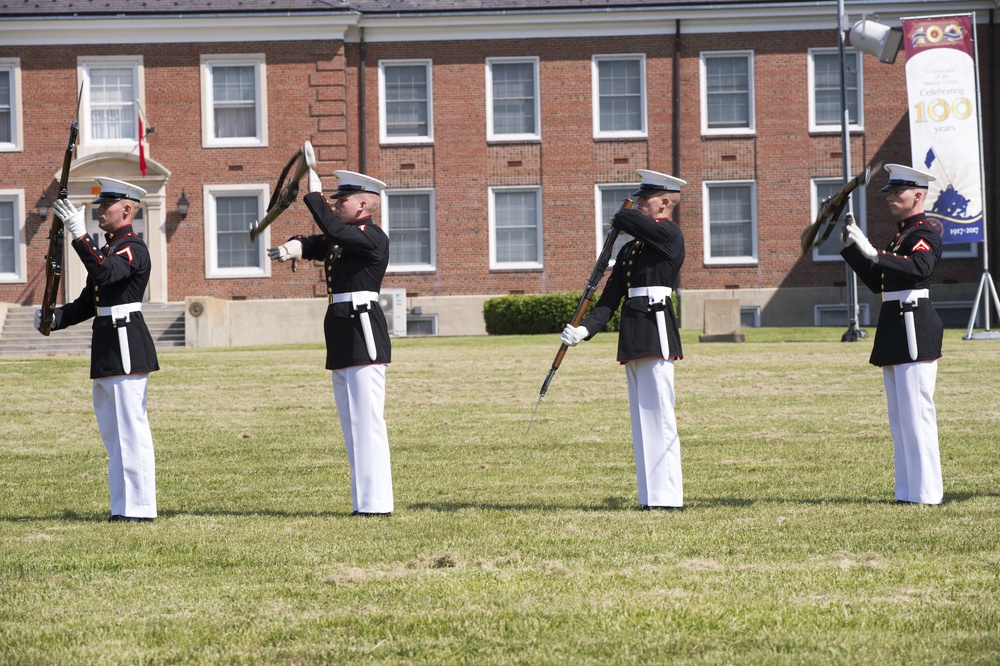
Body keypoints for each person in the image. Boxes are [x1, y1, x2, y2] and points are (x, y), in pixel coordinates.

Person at [268, 169, 394, 516]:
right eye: (334, 201)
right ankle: (364, 502)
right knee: (353, 424)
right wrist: (294, 247)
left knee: (368, 422)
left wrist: (315, 194)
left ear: (364, 203)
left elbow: (333, 231)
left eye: (343, 201)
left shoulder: (372, 236)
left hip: (362, 328)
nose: (337, 206)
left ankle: (377, 503)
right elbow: (319, 243)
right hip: (341, 331)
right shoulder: (346, 235)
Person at [34, 177, 159, 523]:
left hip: (126, 343)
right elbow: (90, 301)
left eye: (106, 206)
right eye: (99, 206)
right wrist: (54, 317)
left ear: (128, 209)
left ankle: (140, 509)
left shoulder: (131, 247)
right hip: (107, 345)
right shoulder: (109, 248)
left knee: (131, 431)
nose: (99, 211)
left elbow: (104, 275)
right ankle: (122, 508)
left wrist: (78, 233)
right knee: (114, 436)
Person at [561, 169, 686, 511]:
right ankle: (651, 497)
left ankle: (669, 498)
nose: (637, 206)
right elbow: (608, 300)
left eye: (643, 200)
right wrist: (584, 330)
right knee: (643, 421)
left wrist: (623, 214)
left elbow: (625, 218)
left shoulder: (670, 235)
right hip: (633, 335)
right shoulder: (632, 250)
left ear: (664, 202)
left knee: (660, 416)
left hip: (656, 330)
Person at [841, 163, 944, 505]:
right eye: (888, 192)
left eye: (896, 192)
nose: (889, 198)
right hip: (894, 324)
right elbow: (877, 282)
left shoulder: (925, 232)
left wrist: (873, 252)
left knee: (917, 416)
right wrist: (855, 249)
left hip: (913, 323)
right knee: (900, 419)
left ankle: (927, 492)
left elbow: (919, 269)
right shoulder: (900, 235)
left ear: (917, 195)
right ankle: (908, 491)